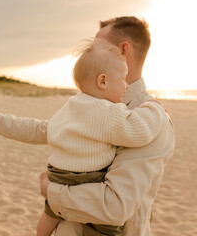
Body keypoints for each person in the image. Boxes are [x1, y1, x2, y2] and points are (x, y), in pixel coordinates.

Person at [0, 38, 168, 235]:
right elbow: (139, 131)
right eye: (122, 79)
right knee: (108, 229)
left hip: (56, 175)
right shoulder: (109, 113)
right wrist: (155, 109)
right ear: (102, 81)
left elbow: (35, 129)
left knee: (48, 217)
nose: (126, 85)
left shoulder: (70, 106)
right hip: (85, 180)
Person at [38, 16, 175, 236]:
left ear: (123, 51)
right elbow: (47, 128)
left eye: (97, 45)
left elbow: (114, 207)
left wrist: (51, 191)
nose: (90, 52)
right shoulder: (90, 103)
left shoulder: (149, 119)